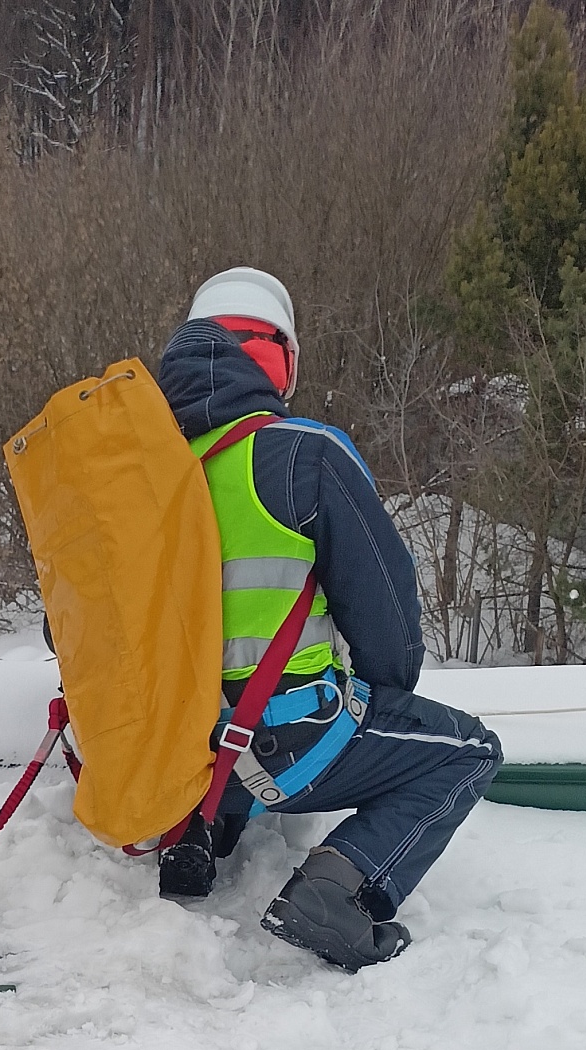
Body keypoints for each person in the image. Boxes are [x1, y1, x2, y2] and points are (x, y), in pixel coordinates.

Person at [154, 267, 501, 971]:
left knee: (226, 723)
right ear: (274, 357)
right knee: (469, 754)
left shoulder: (148, 473)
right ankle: (336, 893)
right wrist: (386, 691)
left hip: (176, 750)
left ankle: (205, 824)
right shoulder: (303, 454)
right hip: (288, 741)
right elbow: (387, 628)